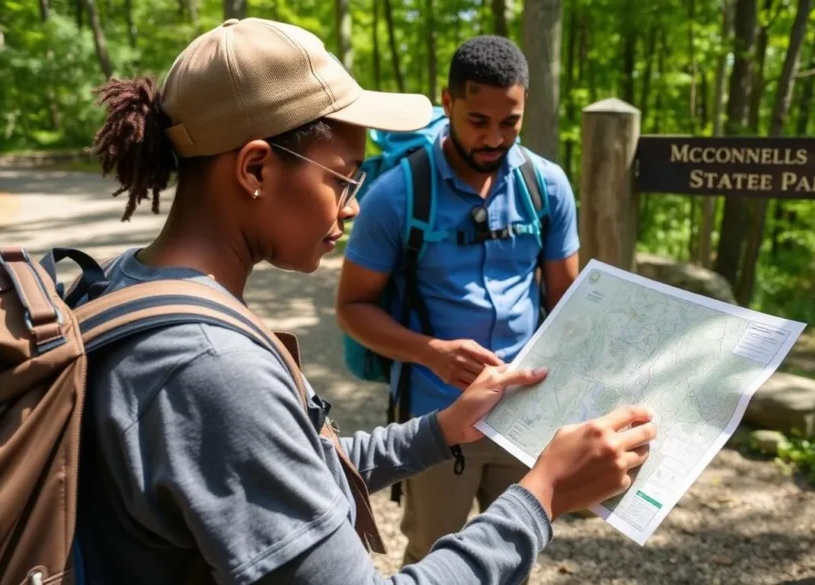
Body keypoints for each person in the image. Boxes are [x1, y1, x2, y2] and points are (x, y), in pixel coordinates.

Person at [76, 17, 656, 585]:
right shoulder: (211, 368)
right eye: (344, 177)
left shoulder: (133, 287)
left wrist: (440, 430)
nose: (353, 205)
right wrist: (543, 496)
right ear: (255, 167)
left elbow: (291, 458)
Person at [336, 35, 581, 568]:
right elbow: (352, 307)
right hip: (436, 418)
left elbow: (570, 304)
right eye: (478, 121)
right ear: (446, 102)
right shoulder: (397, 195)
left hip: (526, 416)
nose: (495, 137)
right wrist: (431, 352)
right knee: (431, 556)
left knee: (517, 552)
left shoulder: (547, 187)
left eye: (510, 122)